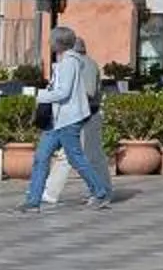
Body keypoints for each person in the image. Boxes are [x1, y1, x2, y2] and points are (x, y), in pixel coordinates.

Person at [21, 25, 113, 211]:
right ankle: (33, 200)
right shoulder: (63, 62)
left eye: (52, 39)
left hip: (69, 119)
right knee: (41, 157)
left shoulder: (69, 63)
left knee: (76, 158)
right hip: (57, 119)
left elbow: (63, 92)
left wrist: (39, 96)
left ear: (59, 43)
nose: (49, 42)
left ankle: (100, 192)